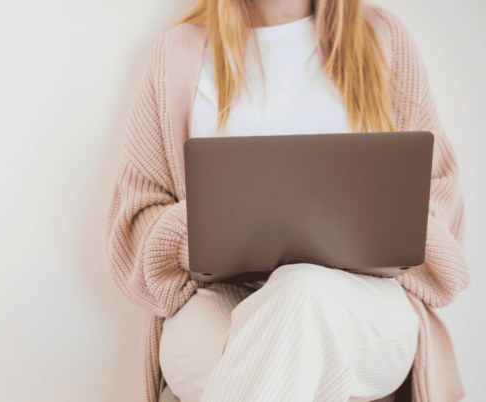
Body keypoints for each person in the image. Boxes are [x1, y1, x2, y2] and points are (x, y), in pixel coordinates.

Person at [102, 1, 469, 402]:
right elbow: (136, 217)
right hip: (216, 301)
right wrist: (202, 231)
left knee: (300, 292)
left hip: (362, 300)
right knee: (281, 355)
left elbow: (437, 195)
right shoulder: (179, 53)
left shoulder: (382, 37)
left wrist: (378, 222)